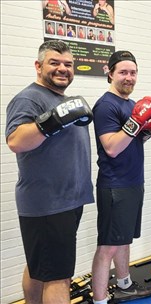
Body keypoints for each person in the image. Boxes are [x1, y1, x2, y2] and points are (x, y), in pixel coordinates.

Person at [5, 40, 94, 303]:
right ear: (38, 66)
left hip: (66, 201)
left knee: (40, 267)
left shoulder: (64, 100)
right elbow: (16, 140)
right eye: (54, 63)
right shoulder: (29, 98)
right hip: (48, 203)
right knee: (58, 276)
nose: (62, 69)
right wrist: (52, 120)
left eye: (68, 64)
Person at [90, 51, 151, 304]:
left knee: (124, 240)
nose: (129, 77)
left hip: (132, 181)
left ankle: (124, 284)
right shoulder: (106, 105)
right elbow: (111, 146)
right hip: (115, 185)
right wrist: (135, 122)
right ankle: (100, 300)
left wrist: (145, 130)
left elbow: (132, 139)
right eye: (123, 72)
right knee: (108, 245)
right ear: (110, 73)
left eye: (133, 72)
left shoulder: (131, 104)